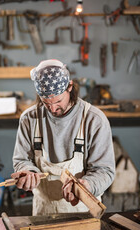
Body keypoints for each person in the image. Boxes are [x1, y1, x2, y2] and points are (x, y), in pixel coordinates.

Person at [11, 59, 115, 216]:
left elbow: (104, 170)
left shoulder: (94, 120)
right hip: (43, 211)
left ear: (70, 87)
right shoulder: (29, 118)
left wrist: (87, 185)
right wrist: (27, 172)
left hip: (83, 211)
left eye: (58, 101)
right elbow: (21, 160)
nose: (53, 109)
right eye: (46, 103)